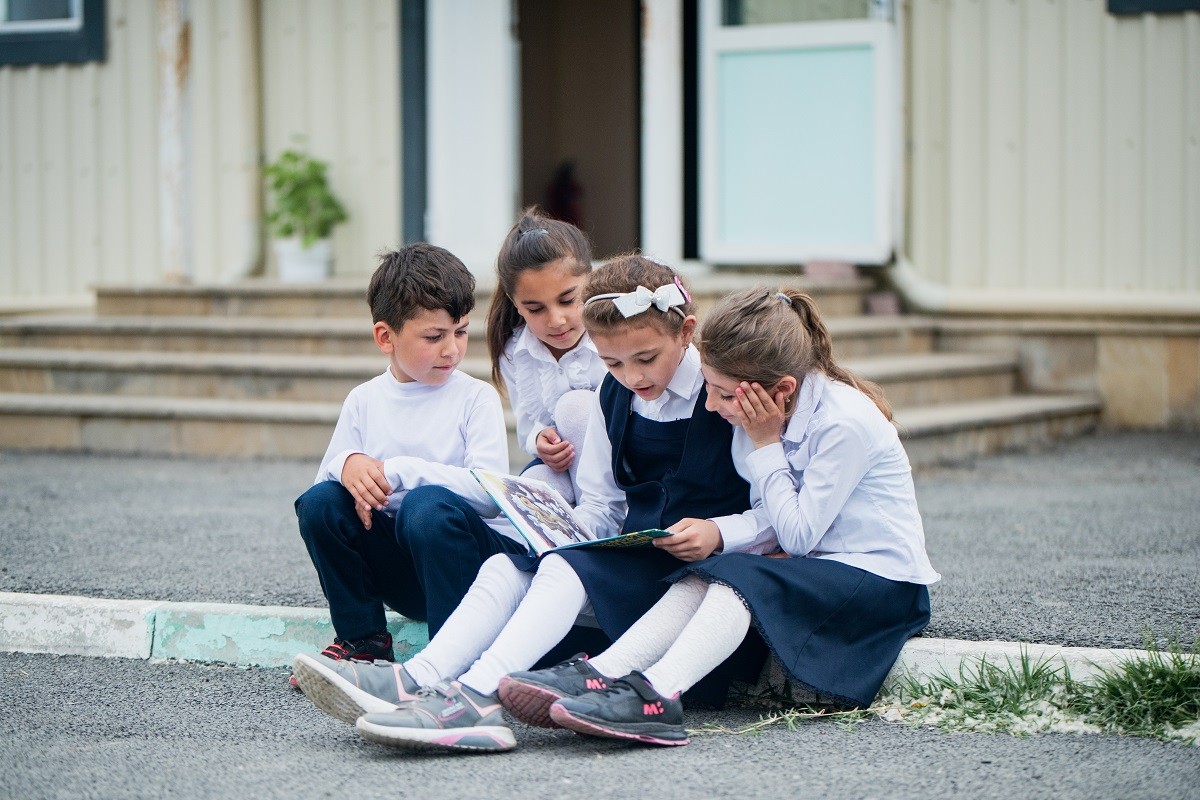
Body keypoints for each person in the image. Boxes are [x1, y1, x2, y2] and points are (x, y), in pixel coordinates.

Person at [292, 255, 755, 752]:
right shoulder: (613, 393)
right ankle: (421, 680)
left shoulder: (724, 392)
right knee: (508, 566)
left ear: (686, 334)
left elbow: (767, 504)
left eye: (643, 360)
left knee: (548, 566)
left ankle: (472, 693)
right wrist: (554, 531)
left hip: (701, 566)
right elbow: (600, 503)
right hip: (641, 554)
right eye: (612, 363)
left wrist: (721, 532)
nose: (630, 376)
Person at [504, 287, 941, 747]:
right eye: (710, 388)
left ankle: (657, 694)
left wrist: (766, 442)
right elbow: (769, 517)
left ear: (783, 390)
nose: (711, 406)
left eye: (724, 394)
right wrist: (724, 522)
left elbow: (797, 536)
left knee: (735, 574)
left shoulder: (841, 422)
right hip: (816, 568)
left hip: (879, 582)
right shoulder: (756, 416)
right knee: (708, 570)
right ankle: (603, 673)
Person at [293, 243, 525, 671]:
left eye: (460, 331)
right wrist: (347, 465)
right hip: (403, 574)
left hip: (466, 569)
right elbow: (321, 493)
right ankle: (363, 641)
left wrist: (399, 471)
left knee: (425, 505)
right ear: (386, 337)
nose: (451, 349)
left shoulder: (476, 398)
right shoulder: (363, 400)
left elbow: (492, 495)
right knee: (320, 504)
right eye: (434, 337)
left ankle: (453, 656)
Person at [486, 207, 607, 503]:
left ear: (589, 281)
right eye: (535, 309)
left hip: (621, 465)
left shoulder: (611, 336)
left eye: (568, 300)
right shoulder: (515, 352)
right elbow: (528, 425)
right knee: (531, 485)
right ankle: (559, 543)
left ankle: (597, 516)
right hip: (566, 469)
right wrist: (541, 441)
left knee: (575, 406)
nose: (556, 320)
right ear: (516, 304)